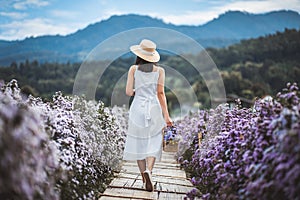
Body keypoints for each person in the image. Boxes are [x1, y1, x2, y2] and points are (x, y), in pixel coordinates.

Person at [123, 39, 173, 192]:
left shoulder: (133, 69)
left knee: (139, 143)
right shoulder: (160, 71)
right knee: (154, 140)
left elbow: (128, 92)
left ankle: (144, 180)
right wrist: (167, 116)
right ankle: (149, 172)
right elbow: (160, 93)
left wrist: (139, 89)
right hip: (154, 108)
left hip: (137, 107)